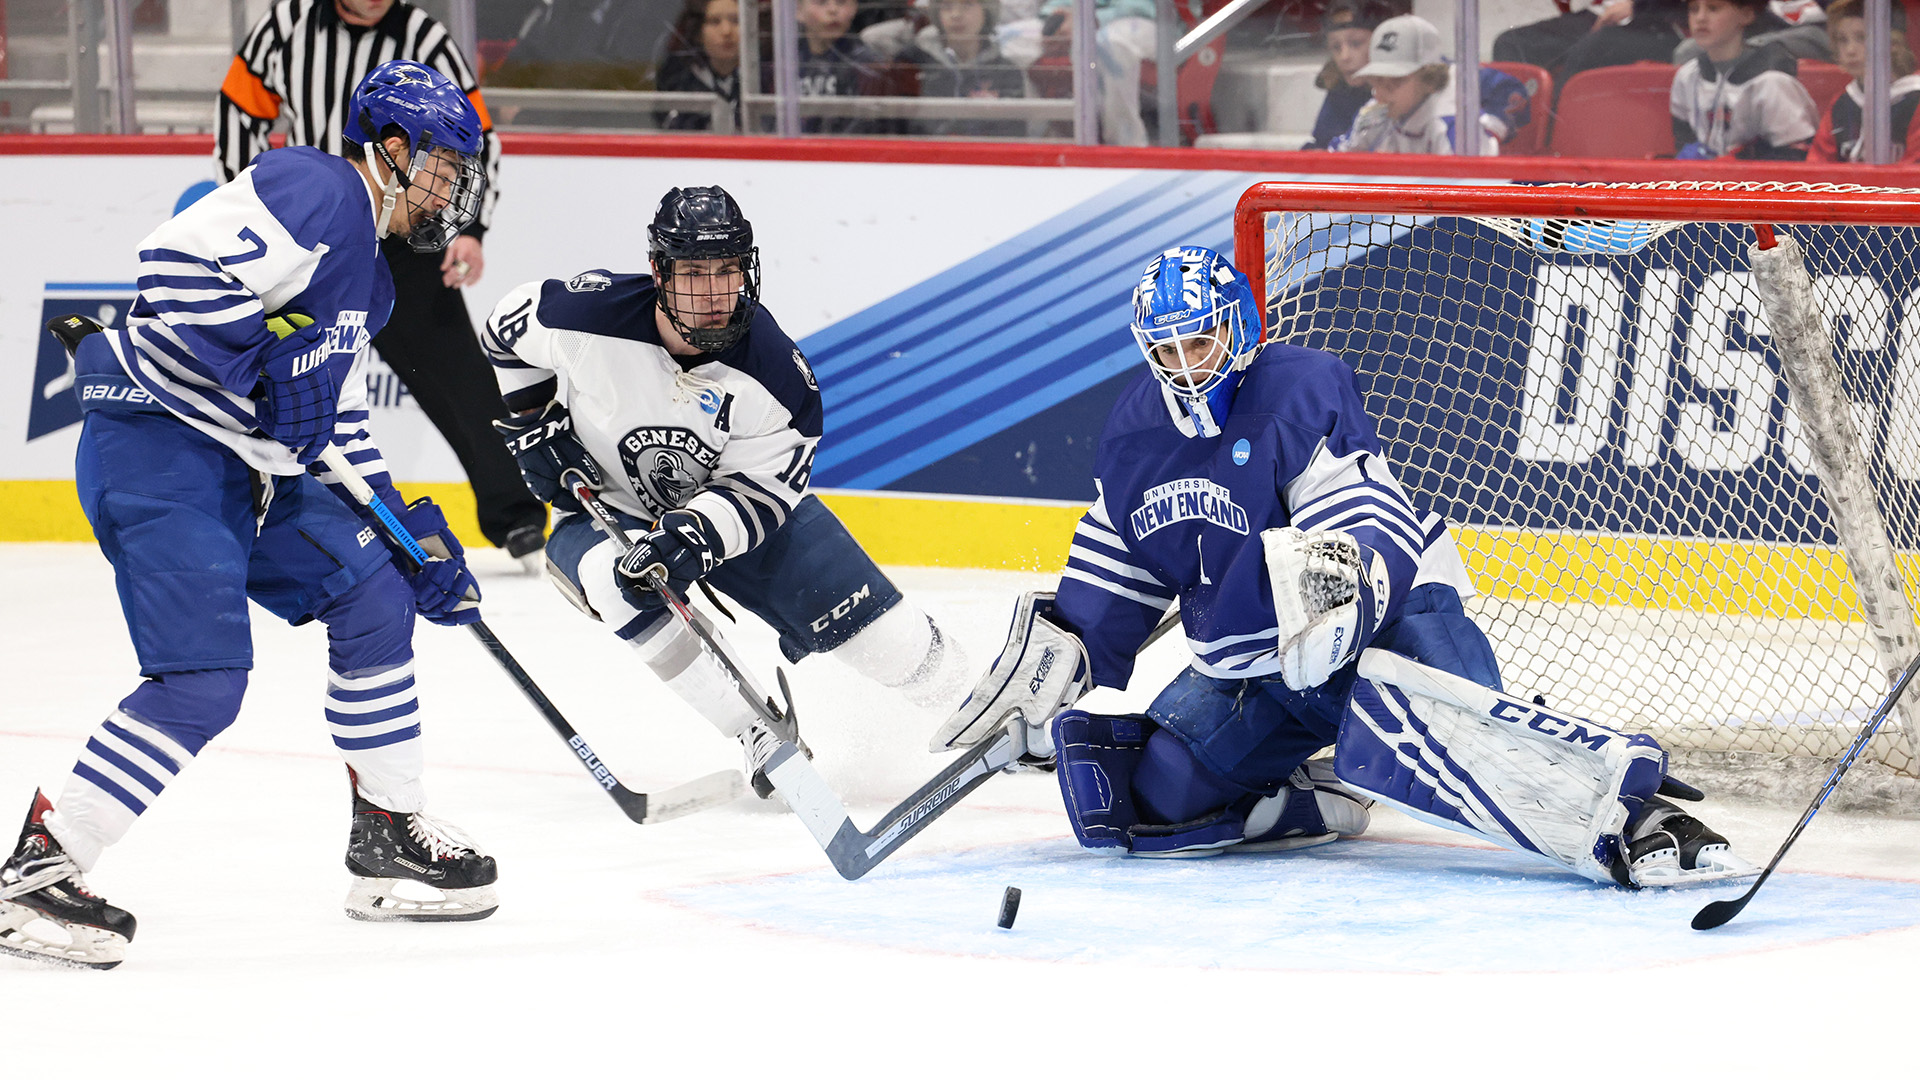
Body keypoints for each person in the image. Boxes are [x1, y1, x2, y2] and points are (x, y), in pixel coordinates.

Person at [933, 244, 1756, 888]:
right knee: (1144, 801)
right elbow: (1119, 566)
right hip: (1257, 669)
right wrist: (1053, 669)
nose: (1189, 364)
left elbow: (1363, 515)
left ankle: (1638, 816)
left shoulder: (1298, 387)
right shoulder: (1134, 433)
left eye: (1203, 339)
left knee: (1467, 751)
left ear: (1241, 322)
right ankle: (1300, 799)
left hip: (1387, 628)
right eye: (1170, 348)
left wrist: (1336, 597)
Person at [0, 62, 500, 971]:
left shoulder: (377, 283)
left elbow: (334, 423)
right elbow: (173, 265)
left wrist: (405, 530)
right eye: (441, 165)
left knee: (377, 594)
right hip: (162, 455)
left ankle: (387, 833)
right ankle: (40, 867)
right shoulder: (313, 185)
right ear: (392, 150)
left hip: (253, 474)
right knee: (203, 682)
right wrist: (272, 363)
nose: (451, 188)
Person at [484, 186, 969, 797]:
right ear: (659, 272)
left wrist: (696, 536)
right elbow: (503, 330)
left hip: (739, 520)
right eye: (693, 273)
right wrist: (533, 424)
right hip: (615, 512)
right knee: (618, 579)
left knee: (892, 644)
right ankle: (756, 734)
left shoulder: (777, 375)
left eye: (727, 271)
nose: (714, 294)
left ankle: (986, 707)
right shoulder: (585, 315)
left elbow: (764, 488)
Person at [218, 0, 550, 566]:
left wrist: (472, 229)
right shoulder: (284, 26)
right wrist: (266, 202)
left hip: (407, 234)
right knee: (288, 371)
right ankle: (258, 506)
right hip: (313, 233)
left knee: (460, 378)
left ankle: (515, 512)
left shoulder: (425, 35)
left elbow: (476, 135)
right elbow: (237, 109)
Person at [1329, 14, 1502, 155]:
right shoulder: (1377, 111)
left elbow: (1467, 191)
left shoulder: (1452, 125)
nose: (1381, 94)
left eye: (1394, 82)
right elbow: (1336, 159)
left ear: (1429, 81)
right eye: (1377, 80)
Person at [1670, 0, 1818, 159]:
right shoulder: (1687, 76)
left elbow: (1796, 160)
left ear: (1746, 15)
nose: (1700, 18)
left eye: (1713, 8)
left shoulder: (1773, 82)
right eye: (1693, 9)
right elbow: (1683, 138)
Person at [898, 0, 1029, 138]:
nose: (956, 15)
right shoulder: (913, 62)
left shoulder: (1006, 71)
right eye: (947, 7)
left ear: (987, 11)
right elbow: (895, 129)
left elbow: (1012, 136)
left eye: (967, 5)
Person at [1810, 0, 1920, 162]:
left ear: (1893, 43)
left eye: (1862, 38)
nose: (1850, 50)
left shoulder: (1915, 100)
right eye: (1842, 40)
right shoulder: (1841, 104)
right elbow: (1817, 168)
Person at [1304, 0, 1404, 151]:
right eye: (1336, 47)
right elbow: (1323, 144)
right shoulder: (1340, 90)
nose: (1344, 57)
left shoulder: (1407, 91)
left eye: (1356, 43)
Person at [793, 0, 897, 134]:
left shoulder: (868, 67)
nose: (833, 10)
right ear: (797, 10)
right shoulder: (787, 63)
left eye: (841, 2)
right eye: (821, 2)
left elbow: (865, 128)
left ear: (854, 8)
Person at [657, 0, 745, 131]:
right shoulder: (678, 80)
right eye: (715, 21)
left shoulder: (766, 79)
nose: (726, 31)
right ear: (699, 32)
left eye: (736, 20)